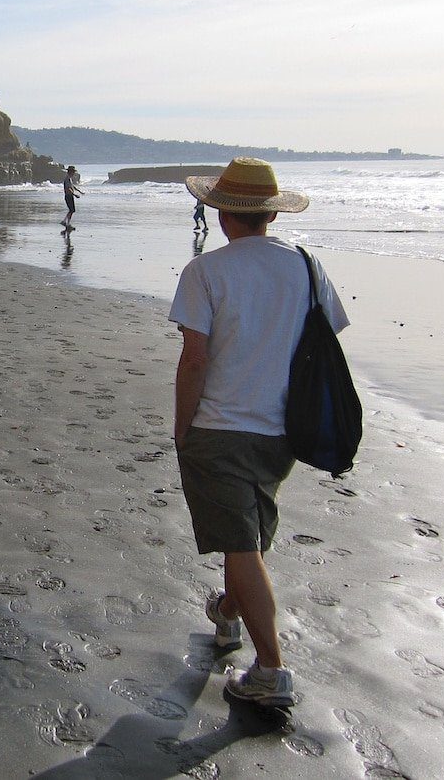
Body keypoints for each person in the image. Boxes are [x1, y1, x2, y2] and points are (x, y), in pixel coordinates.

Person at [168, 157, 349, 710]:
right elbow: (329, 335)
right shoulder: (306, 266)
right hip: (282, 432)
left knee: (242, 540)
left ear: (223, 213)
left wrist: (182, 427)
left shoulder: (206, 272)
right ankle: (227, 615)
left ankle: (271, 670)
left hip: (220, 426)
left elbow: (194, 360)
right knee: (242, 531)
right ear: (270, 213)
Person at [61, 165, 81, 229]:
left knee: (71, 210)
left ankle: (66, 222)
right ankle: (66, 222)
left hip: (70, 196)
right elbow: (68, 188)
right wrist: (75, 195)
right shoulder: (67, 179)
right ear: (70, 172)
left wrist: (79, 191)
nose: (74, 173)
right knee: (71, 210)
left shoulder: (69, 179)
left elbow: (72, 186)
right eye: (73, 172)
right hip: (68, 196)